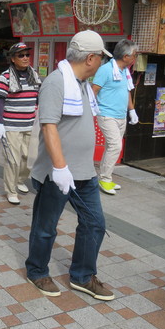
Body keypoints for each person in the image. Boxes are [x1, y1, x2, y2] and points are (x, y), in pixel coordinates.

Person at [26, 30, 115, 301]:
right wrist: (60, 168)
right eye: (100, 58)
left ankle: (82, 276)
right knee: (46, 226)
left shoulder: (83, 84)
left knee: (95, 223)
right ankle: (37, 271)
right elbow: (49, 126)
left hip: (85, 172)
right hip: (58, 172)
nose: (101, 63)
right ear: (90, 58)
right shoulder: (57, 82)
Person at [0, 42, 41, 204]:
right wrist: (0, 123)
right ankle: (11, 190)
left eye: (27, 54)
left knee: (30, 157)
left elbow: (38, 96)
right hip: (11, 125)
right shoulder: (5, 76)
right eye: (21, 55)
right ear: (13, 59)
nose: (25, 58)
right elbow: (0, 101)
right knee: (13, 159)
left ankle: (20, 180)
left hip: (30, 124)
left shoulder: (34, 74)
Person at [91, 39, 139, 195]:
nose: (135, 58)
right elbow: (94, 90)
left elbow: (127, 91)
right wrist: (90, 110)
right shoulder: (105, 70)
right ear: (126, 56)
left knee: (111, 147)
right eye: (134, 55)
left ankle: (106, 177)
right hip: (106, 115)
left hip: (121, 115)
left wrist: (132, 110)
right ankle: (105, 179)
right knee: (115, 146)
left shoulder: (125, 71)